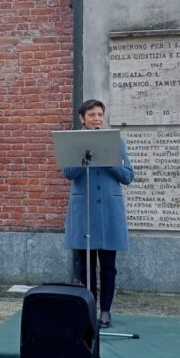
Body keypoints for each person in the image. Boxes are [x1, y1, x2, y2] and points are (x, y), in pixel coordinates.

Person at [62, 99, 134, 328]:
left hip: (110, 212)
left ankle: (106, 311)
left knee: (109, 265)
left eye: (100, 115)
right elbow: (69, 173)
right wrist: (85, 157)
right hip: (85, 211)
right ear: (82, 118)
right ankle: (89, 308)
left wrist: (110, 161)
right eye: (92, 115)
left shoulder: (116, 142)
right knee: (87, 267)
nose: (97, 119)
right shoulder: (74, 142)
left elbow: (128, 176)